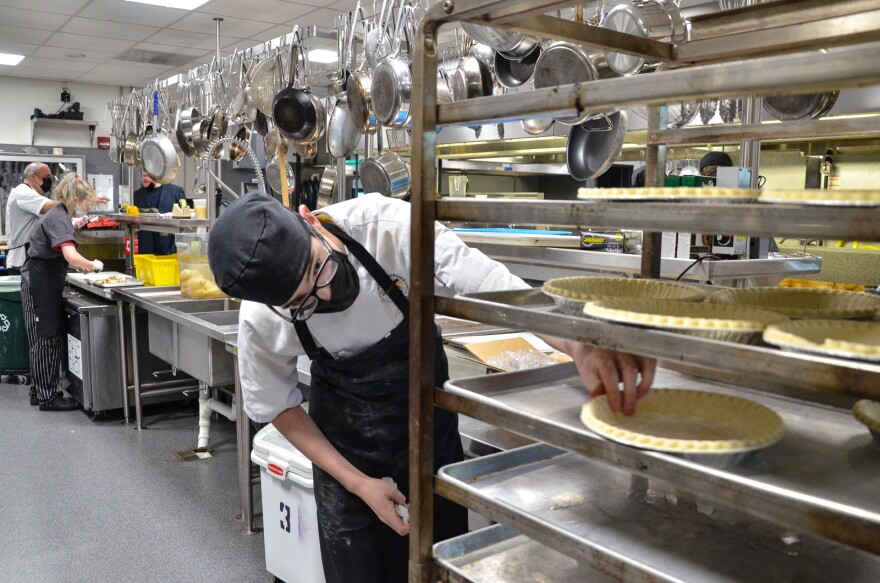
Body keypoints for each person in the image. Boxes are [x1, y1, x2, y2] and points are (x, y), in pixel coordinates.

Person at [207, 192, 655, 583]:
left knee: (441, 566)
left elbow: (492, 287)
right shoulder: (262, 319)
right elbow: (278, 407)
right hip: (348, 457)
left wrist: (578, 342)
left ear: (308, 219)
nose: (323, 296)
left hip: (428, 436)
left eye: (318, 270)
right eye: (302, 301)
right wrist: (360, 484)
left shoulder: (385, 227)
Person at [22, 174, 103, 411]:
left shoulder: (58, 213)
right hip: (40, 282)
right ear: (75, 198)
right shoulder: (59, 218)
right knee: (47, 339)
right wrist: (93, 265)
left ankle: (38, 391)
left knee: (39, 340)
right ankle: (48, 397)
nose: (85, 210)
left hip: (38, 279)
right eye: (86, 205)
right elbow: (71, 256)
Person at [5, 162, 58, 274]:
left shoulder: (32, 194)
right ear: (33, 176)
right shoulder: (23, 192)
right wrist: (77, 202)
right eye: (47, 177)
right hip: (22, 262)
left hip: (30, 259)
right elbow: (51, 206)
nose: (50, 181)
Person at [132, 172, 184, 255]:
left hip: (170, 248)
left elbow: (185, 216)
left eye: (145, 176)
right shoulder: (137, 195)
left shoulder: (176, 192)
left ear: (156, 175)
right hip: (146, 249)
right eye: (141, 175)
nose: (143, 179)